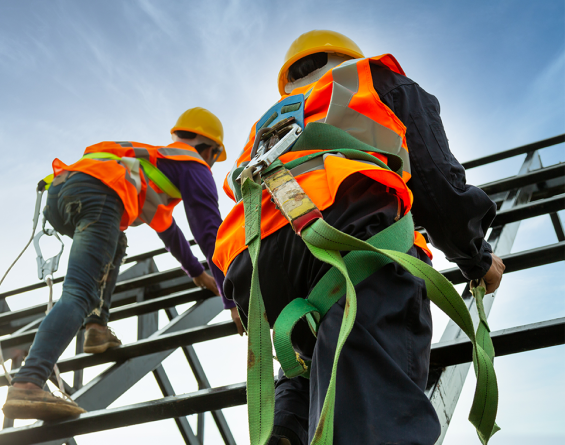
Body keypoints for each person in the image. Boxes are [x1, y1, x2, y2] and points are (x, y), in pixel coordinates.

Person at [213, 31, 506, 445]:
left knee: (310, 348)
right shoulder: (373, 78)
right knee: (372, 402)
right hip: (349, 225)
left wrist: (237, 301)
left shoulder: (268, 125)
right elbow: (436, 182)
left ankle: (287, 425)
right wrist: (477, 258)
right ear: (346, 56)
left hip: (252, 265)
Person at [2, 107, 228, 421]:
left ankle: (96, 327)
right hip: (99, 194)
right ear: (209, 148)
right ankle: (28, 382)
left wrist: (196, 272)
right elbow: (208, 231)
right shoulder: (192, 163)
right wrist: (231, 293)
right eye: (215, 157)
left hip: (63, 191)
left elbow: (170, 232)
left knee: (116, 241)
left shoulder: (149, 165)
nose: (212, 164)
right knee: (78, 293)